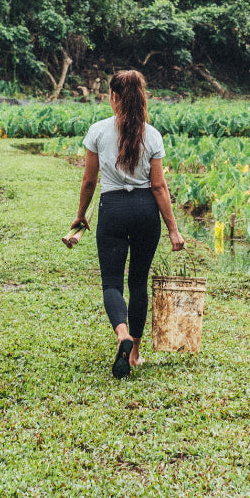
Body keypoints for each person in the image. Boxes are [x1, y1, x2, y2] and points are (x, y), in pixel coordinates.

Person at [65, 69, 184, 378]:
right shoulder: (152, 134)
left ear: (114, 96)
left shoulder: (98, 131)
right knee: (138, 282)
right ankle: (135, 355)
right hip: (146, 211)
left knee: (112, 283)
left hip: (113, 210)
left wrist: (80, 214)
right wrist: (173, 229)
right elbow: (159, 186)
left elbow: (89, 180)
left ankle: (122, 335)